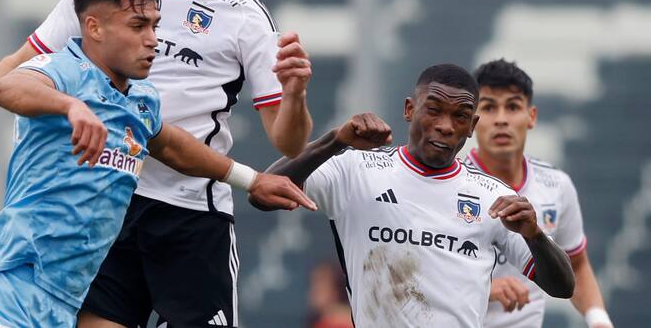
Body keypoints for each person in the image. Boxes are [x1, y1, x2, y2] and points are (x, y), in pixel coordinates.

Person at [0, 0, 312, 328]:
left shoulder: (239, 18)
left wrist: (290, 103)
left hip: (192, 215)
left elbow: (265, 141)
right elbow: (22, 69)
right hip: (109, 210)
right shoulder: (103, 1)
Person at [251, 64, 576, 327]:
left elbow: (563, 287)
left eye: (460, 116)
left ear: (472, 125)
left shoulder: (492, 196)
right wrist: (336, 140)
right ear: (409, 109)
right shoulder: (355, 170)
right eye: (433, 110)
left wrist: (535, 235)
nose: (445, 126)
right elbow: (264, 191)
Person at [466, 59, 613, 328]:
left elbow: (577, 265)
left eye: (512, 106)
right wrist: (485, 288)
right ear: (473, 120)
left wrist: (598, 319)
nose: (501, 119)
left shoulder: (556, 185)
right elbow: (421, 276)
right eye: (488, 107)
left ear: (531, 116)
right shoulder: (452, 185)